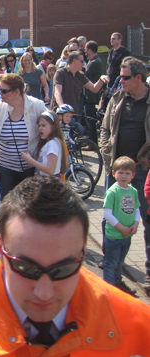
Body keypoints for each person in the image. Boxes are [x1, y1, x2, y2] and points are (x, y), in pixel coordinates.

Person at [0, 175, 150, 356]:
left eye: (63, 270)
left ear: (84, 253)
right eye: (26, 268)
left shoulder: (139, 331)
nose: (44, 292)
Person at [100, 56, 150, 295]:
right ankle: (110, 260)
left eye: (125, 77)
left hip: (142, 171)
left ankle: (148, 272)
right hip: (116, 169)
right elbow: (105, 129)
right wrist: (106, 153)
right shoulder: (118, 97)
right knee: (108, 214)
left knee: (146, 218)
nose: (120, 80)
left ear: (139, 78)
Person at [0, 74, 47, 198]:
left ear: (16, 92)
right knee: (9, 208)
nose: (0, 93)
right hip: (5, 167)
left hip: (30, 168)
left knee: (28, 208)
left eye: (3, 91)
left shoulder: (37, 106)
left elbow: (51, 128)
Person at [103, 156, 139, 296]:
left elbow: (136, 209)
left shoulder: (133, 191)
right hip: (114, 236)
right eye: (120, 172)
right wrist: (122, 228)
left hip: (126, 236)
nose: (124, 176)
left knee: (120, 262)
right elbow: (107, 215)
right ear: (114, 173)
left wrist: (135, 224)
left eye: (127, 173)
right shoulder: (112, 191)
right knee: (111, 263)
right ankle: (109, 292)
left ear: (133, 175)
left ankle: (117, 282)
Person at [21, 110, 67, 177]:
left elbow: (50, 170)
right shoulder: (50, 142)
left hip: (50, 182)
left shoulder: (52, 143)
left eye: (43, 125)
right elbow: (45, 163)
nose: (40, 128)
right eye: (39, 125)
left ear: (53, 127)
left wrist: (30, 160)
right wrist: (34, 158)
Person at [83, 40, 103, 144]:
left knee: (90, 119)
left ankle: (92, 142)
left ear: (90, 50)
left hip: (91, 95)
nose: (84, 50)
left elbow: (85, 76)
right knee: (89, 118)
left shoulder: (95, 62)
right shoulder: (93, 61)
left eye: (86, 48)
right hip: (89, 95)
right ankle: (91, 141)